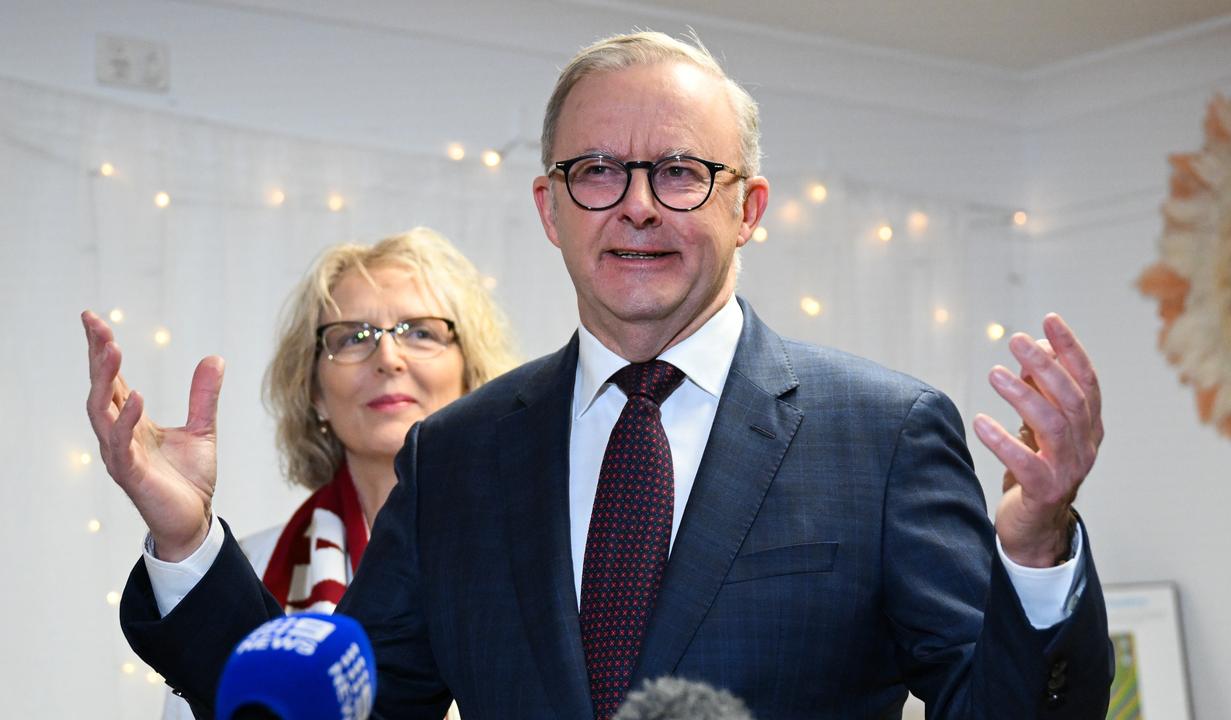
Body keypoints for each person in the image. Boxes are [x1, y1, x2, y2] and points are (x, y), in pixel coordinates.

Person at [94, 32, 1111, 720]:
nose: (634, 207)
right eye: (596, 172)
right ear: (549, 208)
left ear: (747, 207)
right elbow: (336, 705)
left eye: (678, 172)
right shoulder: (458, 455)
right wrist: (185, 538)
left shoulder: (880, 434)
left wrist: (1033, 549)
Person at [84, 228, 515, 720]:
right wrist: (184, 540)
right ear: (314, 391)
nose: (388, 358)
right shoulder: (242, 570)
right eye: (353, 337)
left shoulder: (535, 550)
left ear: (471, 373)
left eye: (420, 332)